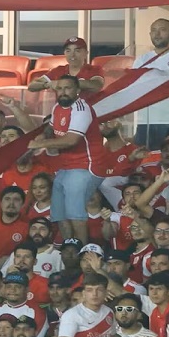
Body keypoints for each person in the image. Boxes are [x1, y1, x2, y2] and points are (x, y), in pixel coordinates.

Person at [28, 74, 103, 243]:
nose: (62, 92)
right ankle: (70, 244)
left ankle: (81, 250)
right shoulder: (57, 108)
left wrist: (39, 145)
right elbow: (52, 128)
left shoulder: (81, 109)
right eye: (59, 88)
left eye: (67, 88)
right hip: (67, 166)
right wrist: (43, 135)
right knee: (59, 212)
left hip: (87, 166)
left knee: (75, 211)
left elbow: (71, 140)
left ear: (77, 91)